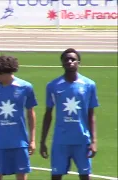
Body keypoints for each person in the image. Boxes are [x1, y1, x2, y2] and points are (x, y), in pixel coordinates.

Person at [40, 48, 99, 180]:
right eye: (66, 59)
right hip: (61, 141)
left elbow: (91, 114)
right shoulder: (53, 86)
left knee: (85, 176)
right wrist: (42, 141)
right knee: (56, 176)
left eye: (73, 59)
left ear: (79, 62)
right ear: (62, 63)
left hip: (82, 140)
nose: (70, 61)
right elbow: (48, 114)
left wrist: (94, 141)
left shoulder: (89, 85)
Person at [0, 55, 37, 180]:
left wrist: (32, 140)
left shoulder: (25, 88)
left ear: (9, 72)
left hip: (20, 143)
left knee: (21, 176)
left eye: (0, 73)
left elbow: (31, 113)